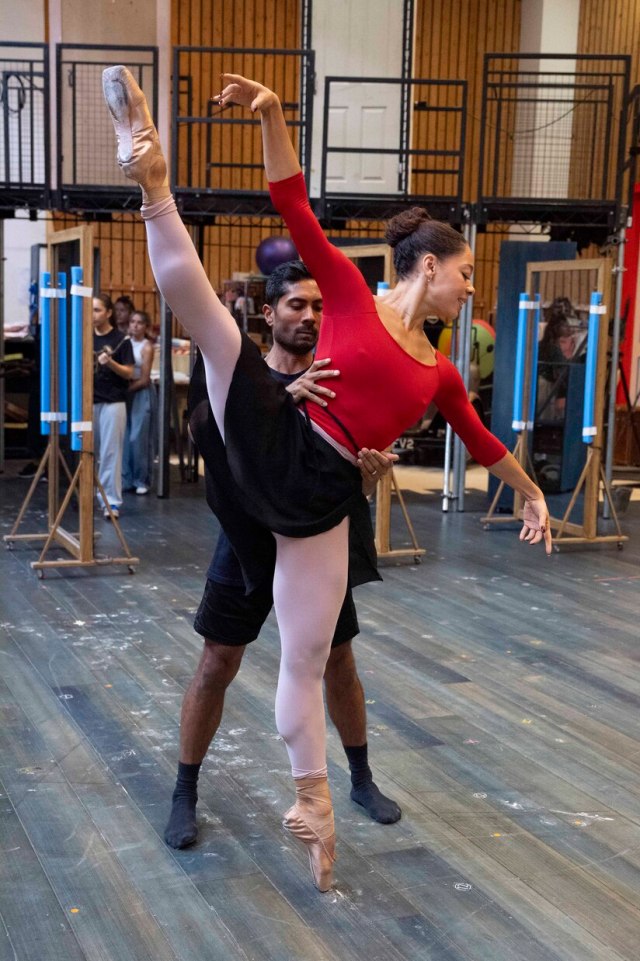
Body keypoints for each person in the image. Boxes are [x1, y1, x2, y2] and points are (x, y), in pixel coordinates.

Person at [103, 66, 551, 892]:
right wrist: (275, 112)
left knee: (309, 657)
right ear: (428, 266)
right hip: (277, 440)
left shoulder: (442, 372)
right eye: (467, 273)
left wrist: (528, 489)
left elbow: (484, 440)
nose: (471, 286)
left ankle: (316, 801)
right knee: (209, 323)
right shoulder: (348, 292)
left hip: (324, 499)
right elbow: (293, 203)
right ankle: (152, 177)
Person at [164, 259, 401, 850]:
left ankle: (361, 779)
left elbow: (354, 461)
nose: (309, 316)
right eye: (297, 304)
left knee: (338, 661)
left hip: (323, 532)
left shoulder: (341, 377)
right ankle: (183, 792)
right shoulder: (240, 373)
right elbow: (205, 434)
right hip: (250, 538)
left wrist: (367, 478)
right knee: (217, 662)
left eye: (319, 306)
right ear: (269, 313)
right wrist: (275, 402)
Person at [93, 293, 134, 519]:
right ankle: (94, 496)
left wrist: (110, 363)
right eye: (91, 310)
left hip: (113, 402)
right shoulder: (85, 336)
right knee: (92, 452)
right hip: (91, 401)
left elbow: (129, 372)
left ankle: (111, 502)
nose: (93, 315)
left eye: (98, 309)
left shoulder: (121, 339)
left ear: (108, 313)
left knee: (110, 453)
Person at [122, 309, 155, 494]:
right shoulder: (125, 343)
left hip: (139, 392)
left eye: (139, 323)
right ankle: (126, 478)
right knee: (125, 437)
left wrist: (125, 390)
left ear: (145, 327)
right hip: (125, 392)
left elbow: (144, 378)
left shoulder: (146, 346)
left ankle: (141, 479)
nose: (135, 325)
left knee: (138, 437)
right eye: (132, 322)